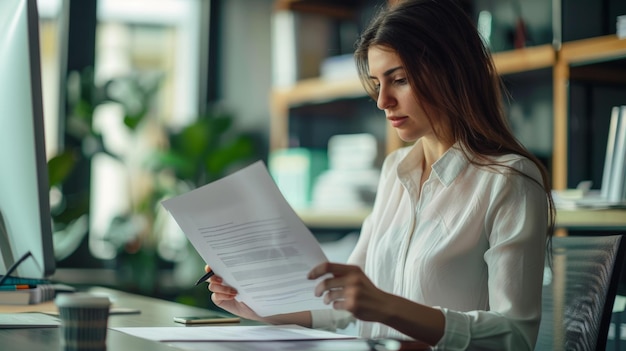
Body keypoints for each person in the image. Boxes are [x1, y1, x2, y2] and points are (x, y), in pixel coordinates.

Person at [204, 0, 555, 349]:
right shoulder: (394, 171)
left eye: (399, 80)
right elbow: (346, 303)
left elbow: (516, 335)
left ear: (451, 71)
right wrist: (261, 308)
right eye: (376, 83)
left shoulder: (510, 180)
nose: (382, 100)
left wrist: (386, 306)